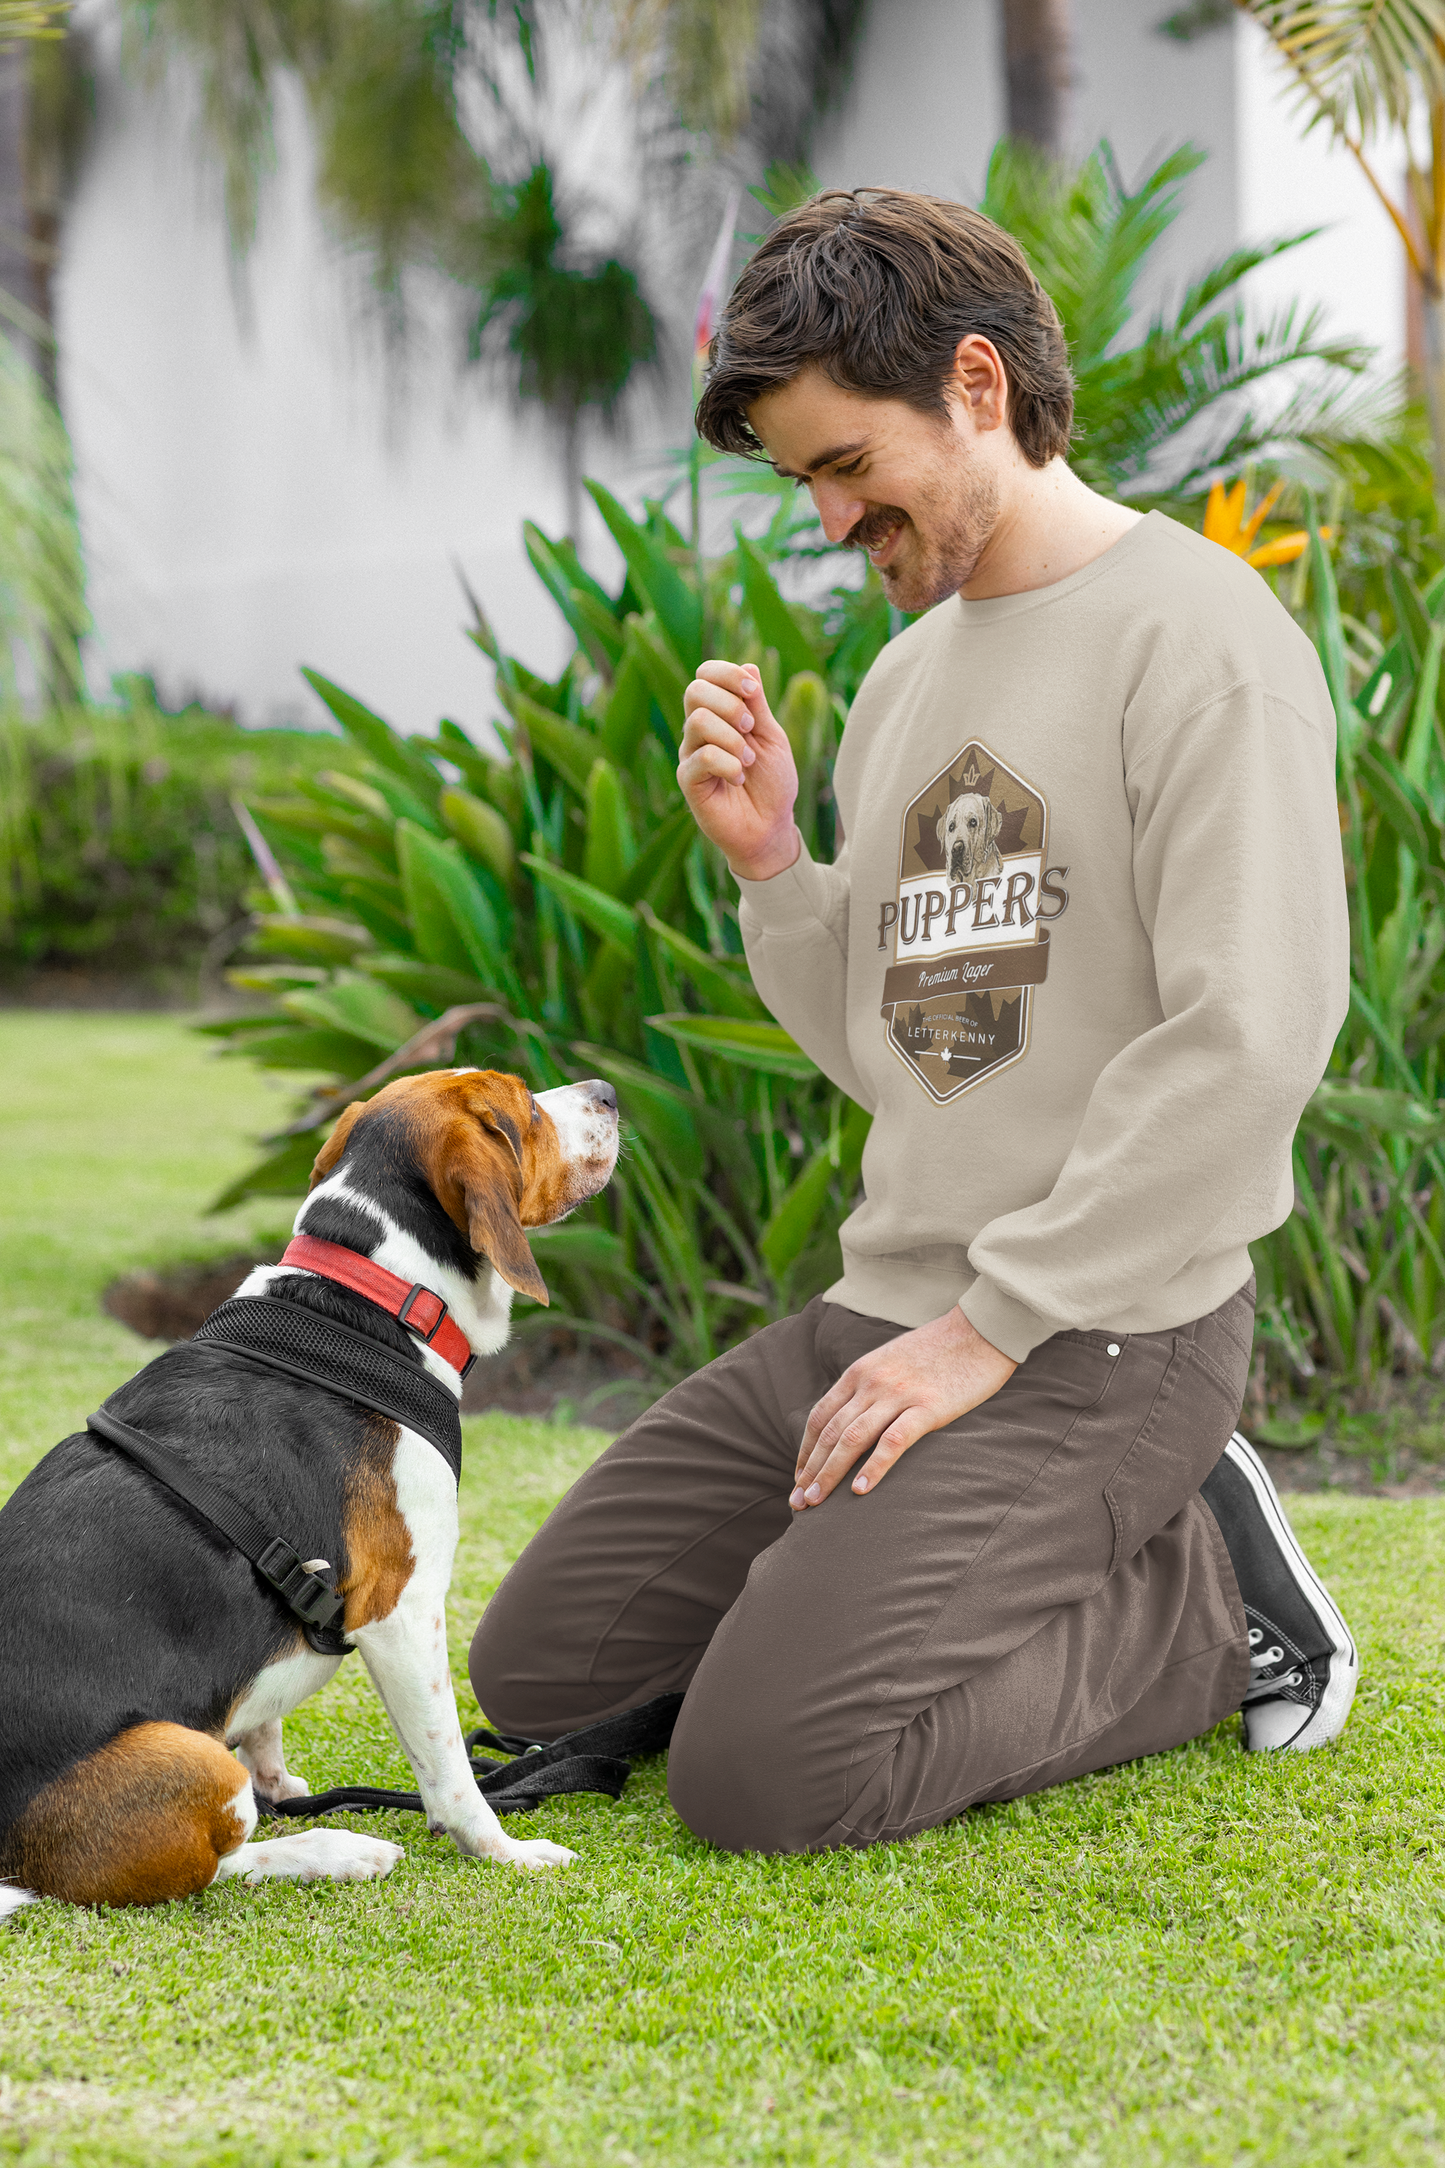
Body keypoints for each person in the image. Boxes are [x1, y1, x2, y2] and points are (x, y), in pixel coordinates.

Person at [469, 189, 1357, 1853]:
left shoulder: (1203, 642)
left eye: (843, 464)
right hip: (889, 1309)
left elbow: (1254, 1039)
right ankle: (871, 1596)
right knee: (549, 1675)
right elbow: (906, 1046)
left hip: (1107, 1341)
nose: (824, 521)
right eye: (802, 479)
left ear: (974, 384)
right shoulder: (903, 679)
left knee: (765, 1781)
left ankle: (1206, 1601)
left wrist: (997, 1324)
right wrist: (775, 868)